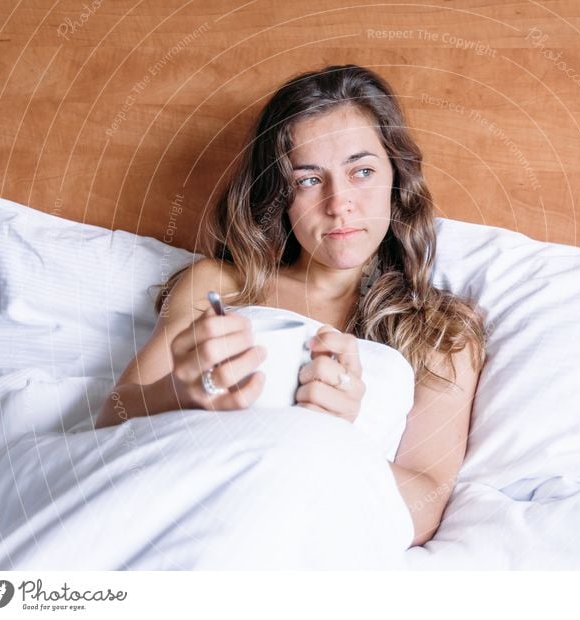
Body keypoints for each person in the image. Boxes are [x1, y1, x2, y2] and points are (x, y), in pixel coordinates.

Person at [95, 64, 487, 548]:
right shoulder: (221, 285)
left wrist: (334, 443)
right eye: (307, 180)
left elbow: (427, 505)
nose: (338, 202)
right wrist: (179, 392)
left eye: (361, 171)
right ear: (281, 194)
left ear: (396, 178)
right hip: (171, 512)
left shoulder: (441, 334)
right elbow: (110, 416)